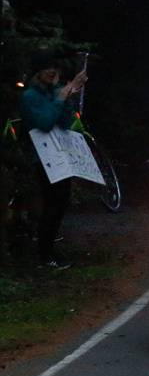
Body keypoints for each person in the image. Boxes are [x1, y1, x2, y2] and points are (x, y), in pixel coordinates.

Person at [20, 51, 87, 268]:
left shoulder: (53, 93)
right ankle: (44, 254)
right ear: (38, 72)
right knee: (52, 203)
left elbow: (65, 122)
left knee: (61, 202)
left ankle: (49, 250)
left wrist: (67, 97)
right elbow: (45, 123)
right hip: (42, 157)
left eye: (55, 68)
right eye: (48, 68)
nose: (52, 72)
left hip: (59, 155)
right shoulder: (31, 96)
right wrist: (61, 96)